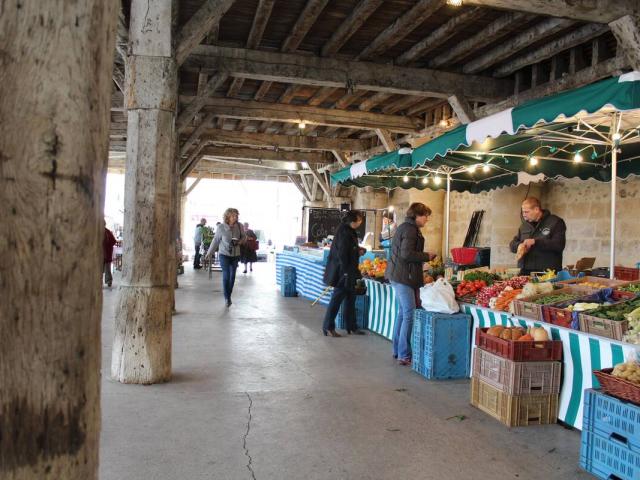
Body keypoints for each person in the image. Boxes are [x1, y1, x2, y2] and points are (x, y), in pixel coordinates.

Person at [386, 203, 432, 365]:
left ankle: (398, 350)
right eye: (425, 215)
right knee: (408, 314)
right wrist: (427, 256)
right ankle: (404, 354)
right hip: (404, 276)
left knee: (402, 313)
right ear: (417, 215)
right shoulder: (411, 230)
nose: (427, 219)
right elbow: (406, 254)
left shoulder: (405, 227)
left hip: (400, 275)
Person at [322, 210, 365, 337]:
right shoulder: (344, 232)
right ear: (353, 221)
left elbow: (349, 249)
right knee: (337, 300)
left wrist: (358, 250)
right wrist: (345, 272)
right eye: (359, 219)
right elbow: (342, 254)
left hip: (350, 271)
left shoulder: (350, 230)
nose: (360, 222)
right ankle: (328, 326)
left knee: (351, 299)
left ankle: (351, 326)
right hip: (342, 272)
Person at [509, 197, 566, 275]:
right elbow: (512, 245)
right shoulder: (524, 226)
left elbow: (559, 245)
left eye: (526, 212)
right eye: (523, 212)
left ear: (536, 209)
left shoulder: (555, 222)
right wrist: (519, 245)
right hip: (525, 271)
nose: (524, 215)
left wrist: (536, 242)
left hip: (547, 272)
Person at [205, 208, 245, 307]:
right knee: (226, 275)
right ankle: (227, 298)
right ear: (228, 216)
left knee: (232, 277)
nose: (235, 217)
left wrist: (240, 241)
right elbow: (216, 240)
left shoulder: (239, 226)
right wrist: (209, 253)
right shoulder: (221, 227)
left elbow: (244, 237)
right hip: (224, 255)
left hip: (235, 255)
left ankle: (228, 296)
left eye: (236, 215)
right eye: (233, 216)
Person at [103, 221, 117, 288]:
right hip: (104, 253)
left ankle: (109, 281)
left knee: (107, 268)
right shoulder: (107, 232)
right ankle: (109, 281)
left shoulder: (107, 232)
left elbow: (113, 241)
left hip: (106, 253)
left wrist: (107, 246)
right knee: (106, 268)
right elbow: (114, 241)